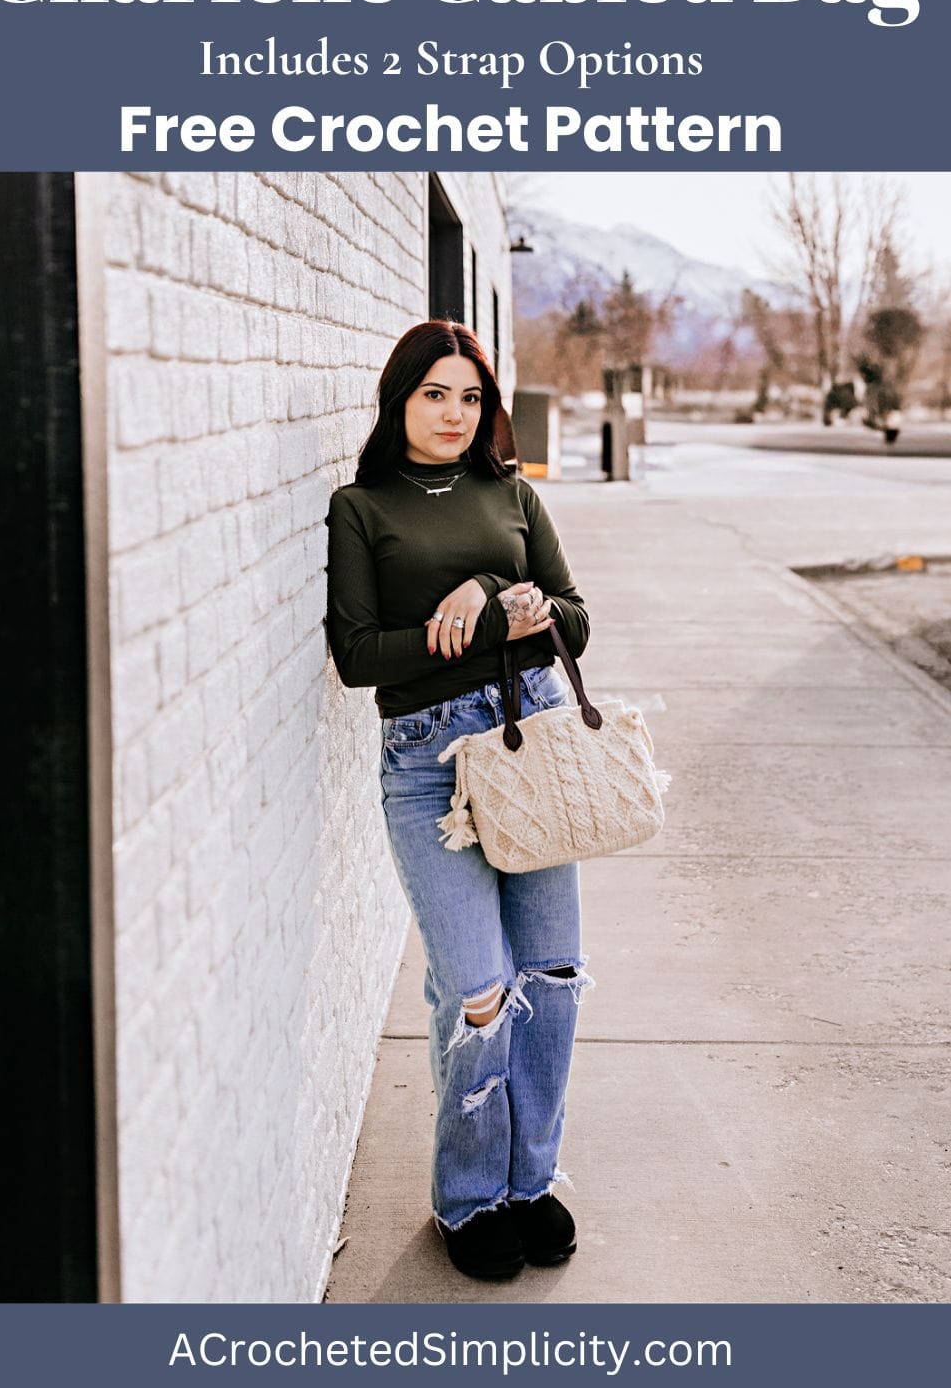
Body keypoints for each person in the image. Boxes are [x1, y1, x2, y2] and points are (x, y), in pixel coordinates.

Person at [325, 320, 593, 1280]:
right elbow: (359, 657)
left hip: (532, 743)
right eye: (435, 394)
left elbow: (574, 616)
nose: (454, 413)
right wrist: (469, 632)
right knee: (479, 992)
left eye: (470, 396)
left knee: (551, 978)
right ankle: (470, 1199)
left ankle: (529, 1183)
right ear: (401, 399)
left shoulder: (511, 492)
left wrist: (506, 596)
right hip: (429, 763)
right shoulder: (361, 507)